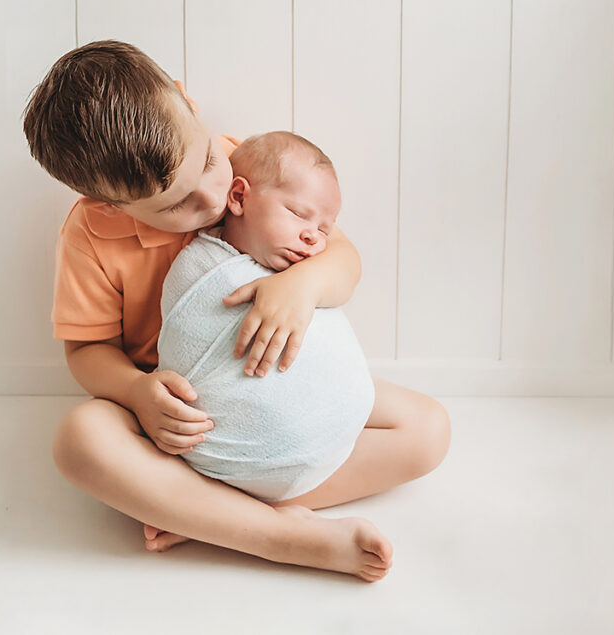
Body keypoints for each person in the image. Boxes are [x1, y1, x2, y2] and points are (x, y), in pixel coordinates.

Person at [23, 40, 451, 583]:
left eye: (205, 162)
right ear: (110, 204)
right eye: (175, 206)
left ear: (188, 103)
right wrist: (137, 393)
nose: (212, 197)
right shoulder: (90, 237)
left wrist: (304, 282)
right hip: (182, 415)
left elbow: (344, 257)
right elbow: (87, 352)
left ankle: (206, 514)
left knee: (428, 429)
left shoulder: (251, 163)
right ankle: (280, 536)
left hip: (280, 380)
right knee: (79, 441)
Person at [157, 131, 375, 505]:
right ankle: (253, 515)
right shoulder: (205, 271)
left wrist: (303, 285)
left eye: (325, 228)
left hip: (322, 434)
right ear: (239, 197)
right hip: (236, 448)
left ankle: (225, 513)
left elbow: (346, 266)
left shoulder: (297, 265)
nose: (314, 238)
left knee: (432, 428)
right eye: (298, 214)